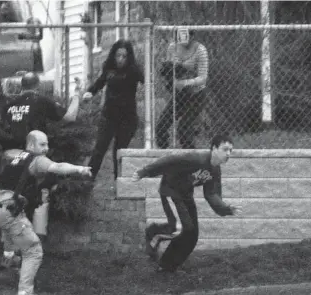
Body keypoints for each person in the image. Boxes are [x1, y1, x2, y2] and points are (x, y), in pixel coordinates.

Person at [0, 130, 91, 295]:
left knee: (11, 227)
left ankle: (9, 257)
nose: (46, 149)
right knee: (34, 251)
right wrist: (80, 169)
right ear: (31, 145)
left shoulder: (16, 156)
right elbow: (57, 167)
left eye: (47, 144)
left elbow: (6, 162)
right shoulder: (37, 160)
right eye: (42, 144)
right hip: (7, 210)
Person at [131, 134, 242, 273]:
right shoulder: (197, 159)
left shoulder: (215, 171)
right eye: (225, 149)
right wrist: (145, 171)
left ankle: (167, 267)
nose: (228, 154)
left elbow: (211, 194)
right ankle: (153, 233)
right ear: (214, 148)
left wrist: (226, 209)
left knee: (192, 235)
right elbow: (170, 160)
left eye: (231, 150)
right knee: (177, 228)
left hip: (185, 195)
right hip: (170, 190)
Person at [82, 39, 144, 180]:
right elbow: (100, 82)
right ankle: (87, 181)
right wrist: (90, 92)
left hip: (127, 117)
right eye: (118, 55)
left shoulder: (133, 70)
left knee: (119, 151)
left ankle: (120, 183)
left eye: (124, 56)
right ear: (113, 55)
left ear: (129, 57)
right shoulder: (109, 68)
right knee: (99, 149)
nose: (120, 59)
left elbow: (145, 80)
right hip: (109, 116)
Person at [155, 25, 209, 149]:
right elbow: (169, 70)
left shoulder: (200, 50)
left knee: (183, 130)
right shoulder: (172, 48)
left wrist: (184, 82)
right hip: (179, 95)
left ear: (192, 36)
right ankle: (165, 156)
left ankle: (192, 160)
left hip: (196, 95)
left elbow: (203, 78)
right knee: (161, 126)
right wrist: (170, 79)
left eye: (186, 35)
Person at [1, 72, 80, 150]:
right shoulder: (41, 101)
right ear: (38, 85)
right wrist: (76, 94)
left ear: (22, 86)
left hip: (13, 153)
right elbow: (70, 117)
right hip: (35, 152)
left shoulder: (9, 105)